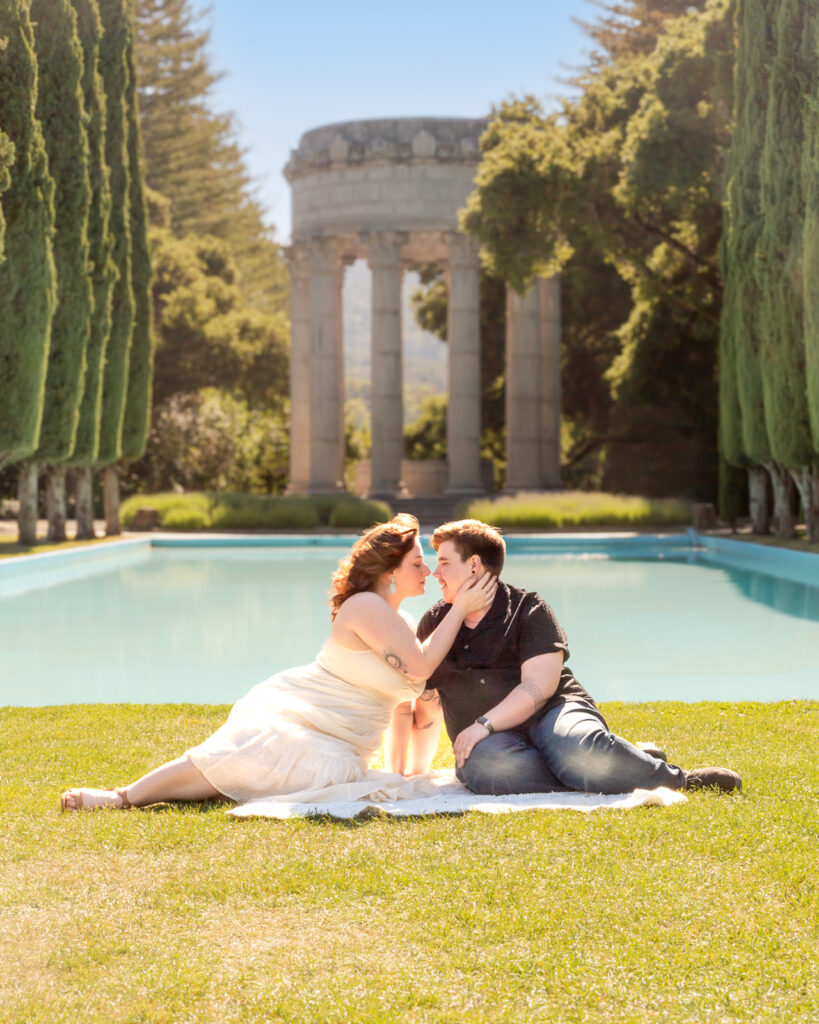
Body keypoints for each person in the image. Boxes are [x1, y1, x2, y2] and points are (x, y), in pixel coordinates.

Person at [60, 514, 497, 812]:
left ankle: (136, 796)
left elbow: (417, 698)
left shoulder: (399, 620)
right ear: (390, 573)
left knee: (301, 770)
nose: (428, 572)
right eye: (418, 564)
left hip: (345, 743)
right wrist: (459, 608)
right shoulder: (364, 606)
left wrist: (409, 773)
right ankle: (122, 798)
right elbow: (420, 668)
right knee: (249, 752)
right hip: (308, 717)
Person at [408, 519, 742, 796]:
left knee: (576, 749)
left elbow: (538, 689)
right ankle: (610, 764)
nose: (434, 573)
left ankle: (677, 779)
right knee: (485, 769)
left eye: (444, 563)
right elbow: (424, 698)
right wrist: (412, 771)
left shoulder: (529, 609)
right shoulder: (436, 623)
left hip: (552, 712)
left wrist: (483, 724)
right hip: (494, 744)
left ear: (475, 565)